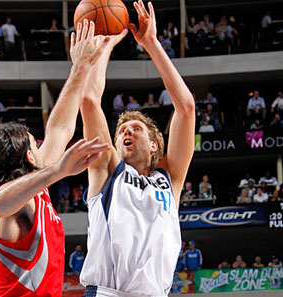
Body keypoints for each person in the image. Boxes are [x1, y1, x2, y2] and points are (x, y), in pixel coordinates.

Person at [0, 20, 111, 296]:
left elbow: (60, 128)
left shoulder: (36, 184)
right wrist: (58, 170)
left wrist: (81, 66)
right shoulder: (8, 208)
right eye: (35, 145)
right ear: (28, 158)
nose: (42, 147)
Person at [79, 1, 196, 294]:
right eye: (121, 131)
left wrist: (151, 43)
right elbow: (90, 101)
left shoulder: (170, 180)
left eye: (136, 129)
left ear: (155, 145)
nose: (126, 132)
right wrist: (105, 45)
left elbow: (186, 108)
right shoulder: (107, 170)